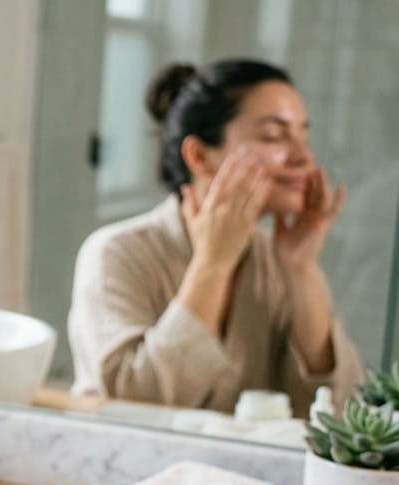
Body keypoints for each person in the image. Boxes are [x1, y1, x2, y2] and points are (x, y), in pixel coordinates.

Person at [68, 59, 363, 415]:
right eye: (272, 136)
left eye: (304, 136)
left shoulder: (275, 259)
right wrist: (213, 264)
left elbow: (340, 413)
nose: (303, 157)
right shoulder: (117, 253)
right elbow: (134, 408)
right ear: (200, 156)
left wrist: (301, 268)